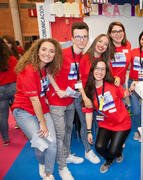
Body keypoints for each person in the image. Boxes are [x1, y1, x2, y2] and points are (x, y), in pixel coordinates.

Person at [47, 22, 100, 180]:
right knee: (60, 133)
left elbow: (79, 79)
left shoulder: (84, 57)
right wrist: (57, 90)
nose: (82, 40)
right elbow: (49, 72)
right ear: (72, 37)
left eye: (84, 36)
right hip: (57, 100)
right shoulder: (62, 53)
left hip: (71, 99)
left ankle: (68, 154)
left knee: (69, 130)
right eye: (78, 36)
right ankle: (62, 168)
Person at [11, 38, 62, 180]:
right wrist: (43, 122)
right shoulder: (29, 70)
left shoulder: (44, 68)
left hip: (41, 108)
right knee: (41, 144)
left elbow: (43, 89)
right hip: (24, 111)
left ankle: (48, 173)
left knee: (52, 143)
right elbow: (34, 99)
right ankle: (42, 162)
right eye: (44, 49)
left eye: (51, 51)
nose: (47, 53)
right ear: (37, 50)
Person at [82, 58, 135, 173]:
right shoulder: (89, 90)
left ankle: (115, 153)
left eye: (103, 69)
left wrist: (130, 90)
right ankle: (110, 159)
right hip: (105, 124)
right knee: (99, 147)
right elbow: (88, 111)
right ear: (92, 70)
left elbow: (124, 93)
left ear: (106, 72)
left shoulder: (113, 84)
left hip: (122, 122)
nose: (100, 72)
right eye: (97, 68)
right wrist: (89, 131)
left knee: (114, 151)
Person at [0, 38, 17, 145]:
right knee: (19, 112)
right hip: (13, 87)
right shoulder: (12, 59)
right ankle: (27, 133)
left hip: (0, 90)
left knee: (2, 115)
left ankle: (5, 139)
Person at [107, 21, 131, 87]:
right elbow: (105, 68)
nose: (118, 34)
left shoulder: (127, 45)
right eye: (114, 32)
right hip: (109, 84)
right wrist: (114, 77)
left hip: (122, 84)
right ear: (110, 34)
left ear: (124, 32)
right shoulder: (106, 48)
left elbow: (128, 64)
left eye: (120, 31)